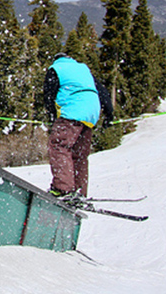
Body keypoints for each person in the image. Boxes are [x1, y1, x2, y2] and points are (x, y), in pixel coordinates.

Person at [43, 53, 113, 203]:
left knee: (59, 145)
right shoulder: (82, 69)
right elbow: (101, 91)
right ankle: (79, 190)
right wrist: (109, 113)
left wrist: (52, 118)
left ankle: (63, 188)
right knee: (79, 154)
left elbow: (49, 95)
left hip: (73, 111)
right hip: (91, 113)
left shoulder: (56, 68)